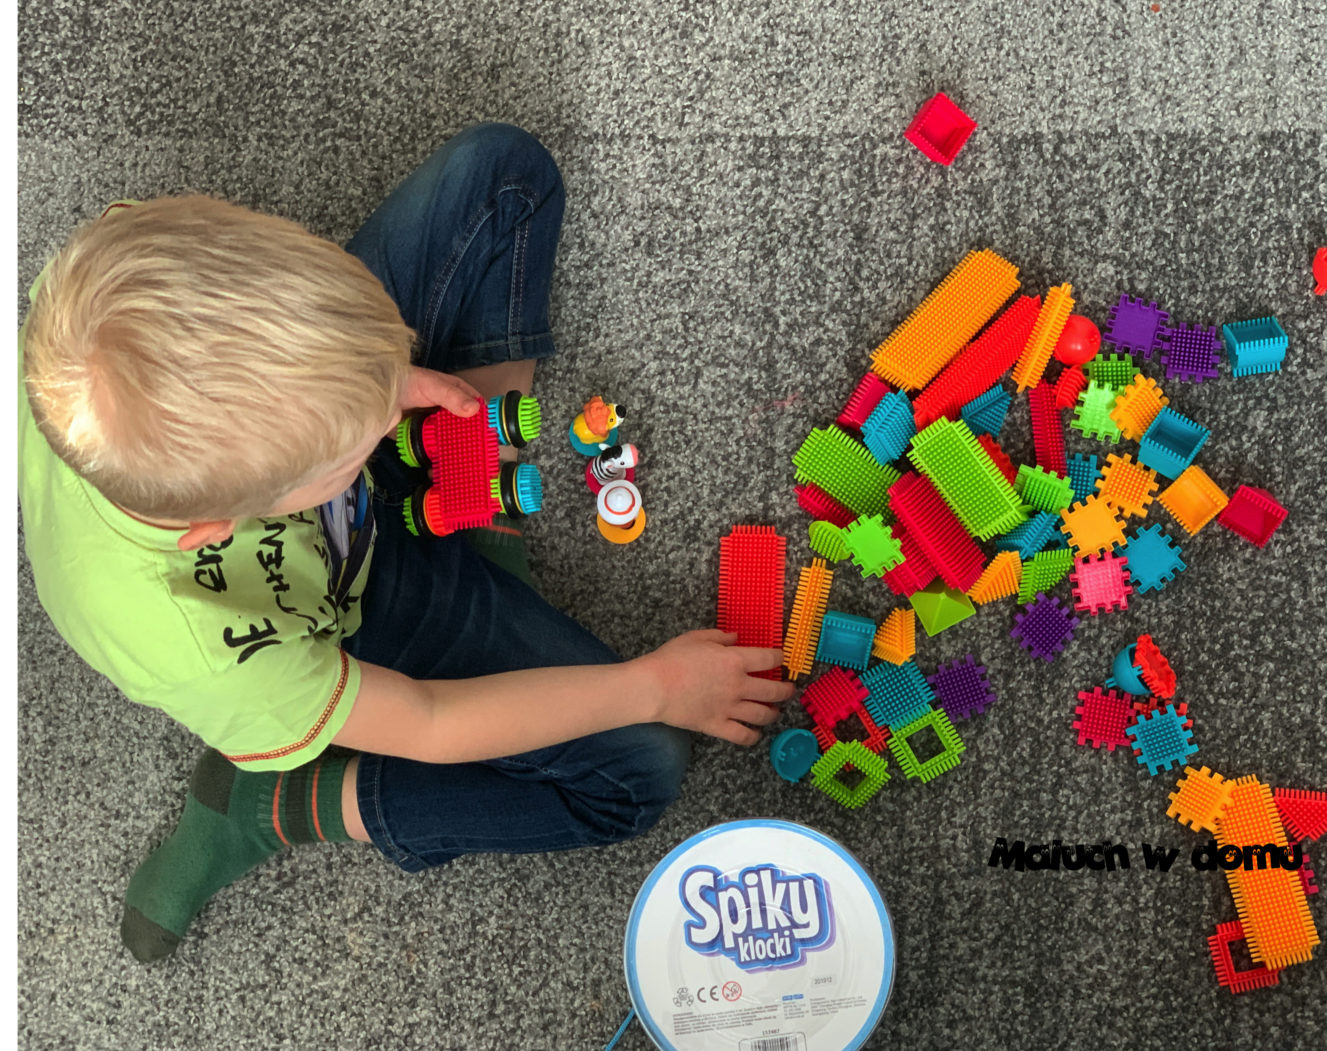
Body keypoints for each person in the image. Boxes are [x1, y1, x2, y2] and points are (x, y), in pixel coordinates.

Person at [18, 122, 795, 964]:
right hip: (341, 609)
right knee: (639, 768)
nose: (392, 418)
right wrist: (653, 686)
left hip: (292, 414)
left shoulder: (110, 277)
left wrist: (374, 376)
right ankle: (271, 809)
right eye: (359, 442)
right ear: (217, 529)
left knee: (504, 178)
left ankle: (472, 498)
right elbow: (429, 721)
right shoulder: (208, 652)